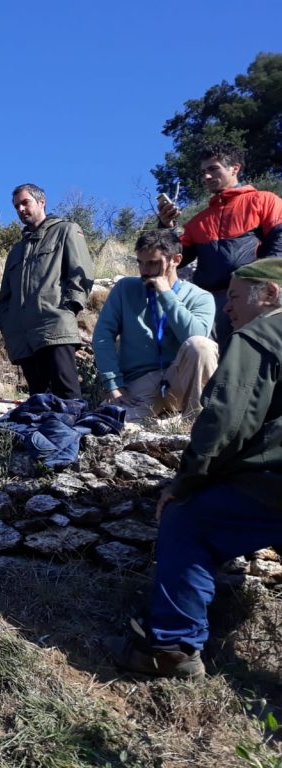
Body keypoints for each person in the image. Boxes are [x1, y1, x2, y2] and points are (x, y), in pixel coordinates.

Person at [112, 259, 282, 679]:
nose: (228, 307)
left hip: (271, 486)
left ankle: (171, 646)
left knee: (188, 521)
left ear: (270, 294)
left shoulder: (262, 334)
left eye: (236, 296)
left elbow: (227, 421)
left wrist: (185, 481)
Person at [157, 140, 282, 342]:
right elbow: (173, 258)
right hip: (209, 303)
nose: (206, 176)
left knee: (252, 354)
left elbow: (280, 241)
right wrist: (165, 226)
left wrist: (264, 283)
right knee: (207, 355)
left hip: (251, 296)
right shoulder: (198, 221)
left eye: (213, 169)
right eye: (203, 171)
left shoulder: (264, 201)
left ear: (235, 168)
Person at [93, 229, 217, 421]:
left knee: (201, 345)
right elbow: (103, 335)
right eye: (140, 262)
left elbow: (195, 337)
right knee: (105, 423)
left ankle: (198, 422)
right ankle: (163, 417)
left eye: (152, 263)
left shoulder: (201, 297)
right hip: (139, 383)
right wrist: (114, 386)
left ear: (176, 259)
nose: (144, 270)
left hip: (180, 380)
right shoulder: (125, 288)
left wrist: (167, 294)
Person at [0, 184, 95, 399]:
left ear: (42, 202)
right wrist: (8, 324)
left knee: (67, 395)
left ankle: (73, 423)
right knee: (39, 400)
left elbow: (81, 273)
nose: (21, 209)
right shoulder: (16, 251)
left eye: (25, 203)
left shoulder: (65, 230)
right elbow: (5, 296)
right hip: (23, 336)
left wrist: (68, 308)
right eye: (16, 206)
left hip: (55, 327)